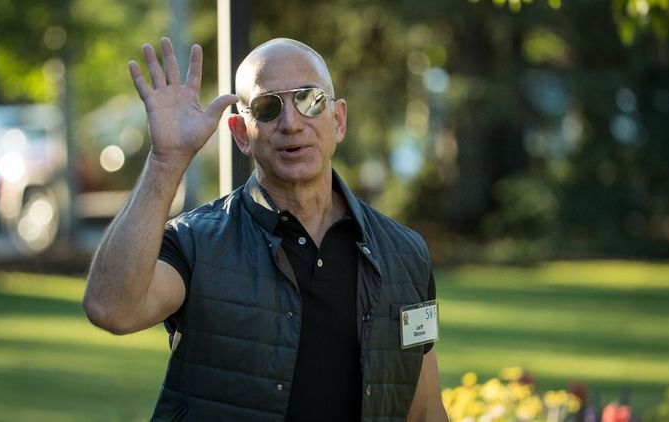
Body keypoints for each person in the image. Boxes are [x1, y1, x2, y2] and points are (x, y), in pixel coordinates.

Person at [83, 36, 448, 422]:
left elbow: (425, 411)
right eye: (267, 107)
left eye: (309, 100)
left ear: (338, 120)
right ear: (242, 134)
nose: (291, 123)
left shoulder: (405, 253)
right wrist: (166, 161)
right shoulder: (196, 243)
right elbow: (111, 310)